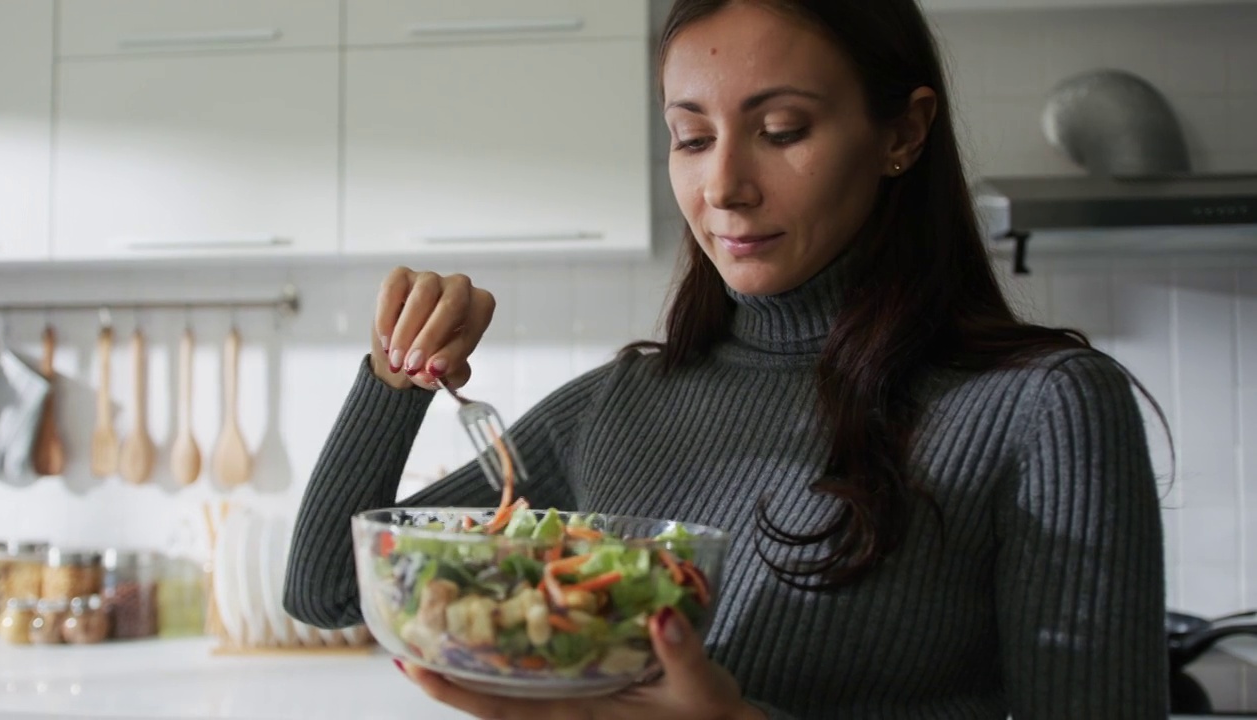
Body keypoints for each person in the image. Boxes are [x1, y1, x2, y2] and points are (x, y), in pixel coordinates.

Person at [284, 0, 1169, 717]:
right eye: (691, 137)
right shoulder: (619, 403)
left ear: (903, 133)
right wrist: (396, 380)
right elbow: (327, 588)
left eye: (782, 130)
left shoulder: (1046, 408)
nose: (723, 188)